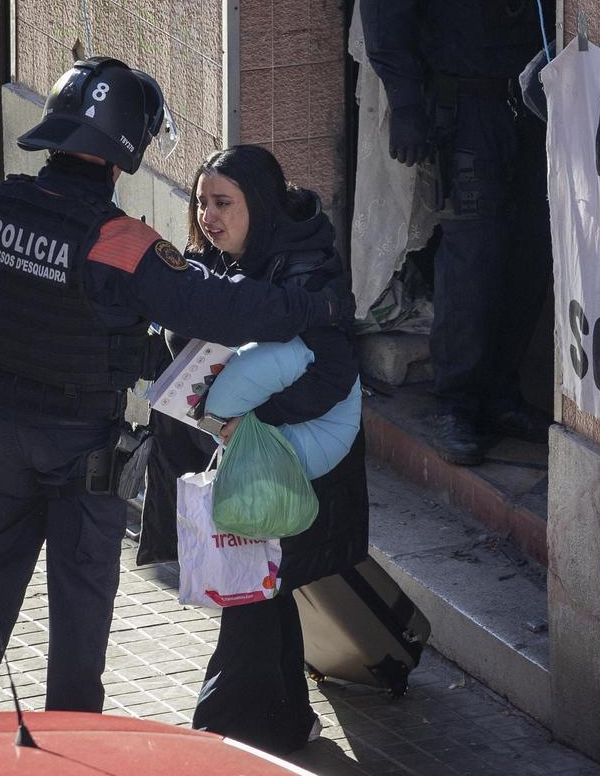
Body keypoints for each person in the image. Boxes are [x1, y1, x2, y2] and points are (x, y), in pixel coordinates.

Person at [0, 59, 354, 714]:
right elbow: (224, 312)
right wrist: (315, 310)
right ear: (119, 160)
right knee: (79, 608)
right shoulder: (122, 245)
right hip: (81, 453)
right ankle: (69, 751)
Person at [143, 145, 369, 754]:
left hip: (293, 459)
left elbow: (329, 375)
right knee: (256, 589)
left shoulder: (305, 271)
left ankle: (229, 728)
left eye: (224, 203)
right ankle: (277, 723)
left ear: (259, 206)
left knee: (251, 588)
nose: (208, 217)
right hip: (250, 456)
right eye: (201, 202)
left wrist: (246, 422)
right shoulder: (217, 260)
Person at [360, 0, 555, 465]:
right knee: (473, 259)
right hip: (466, 111)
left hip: (536, 107)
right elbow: (385, 14)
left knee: (530, 254)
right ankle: (459, 404)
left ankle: (500, 394)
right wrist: (406, 105)